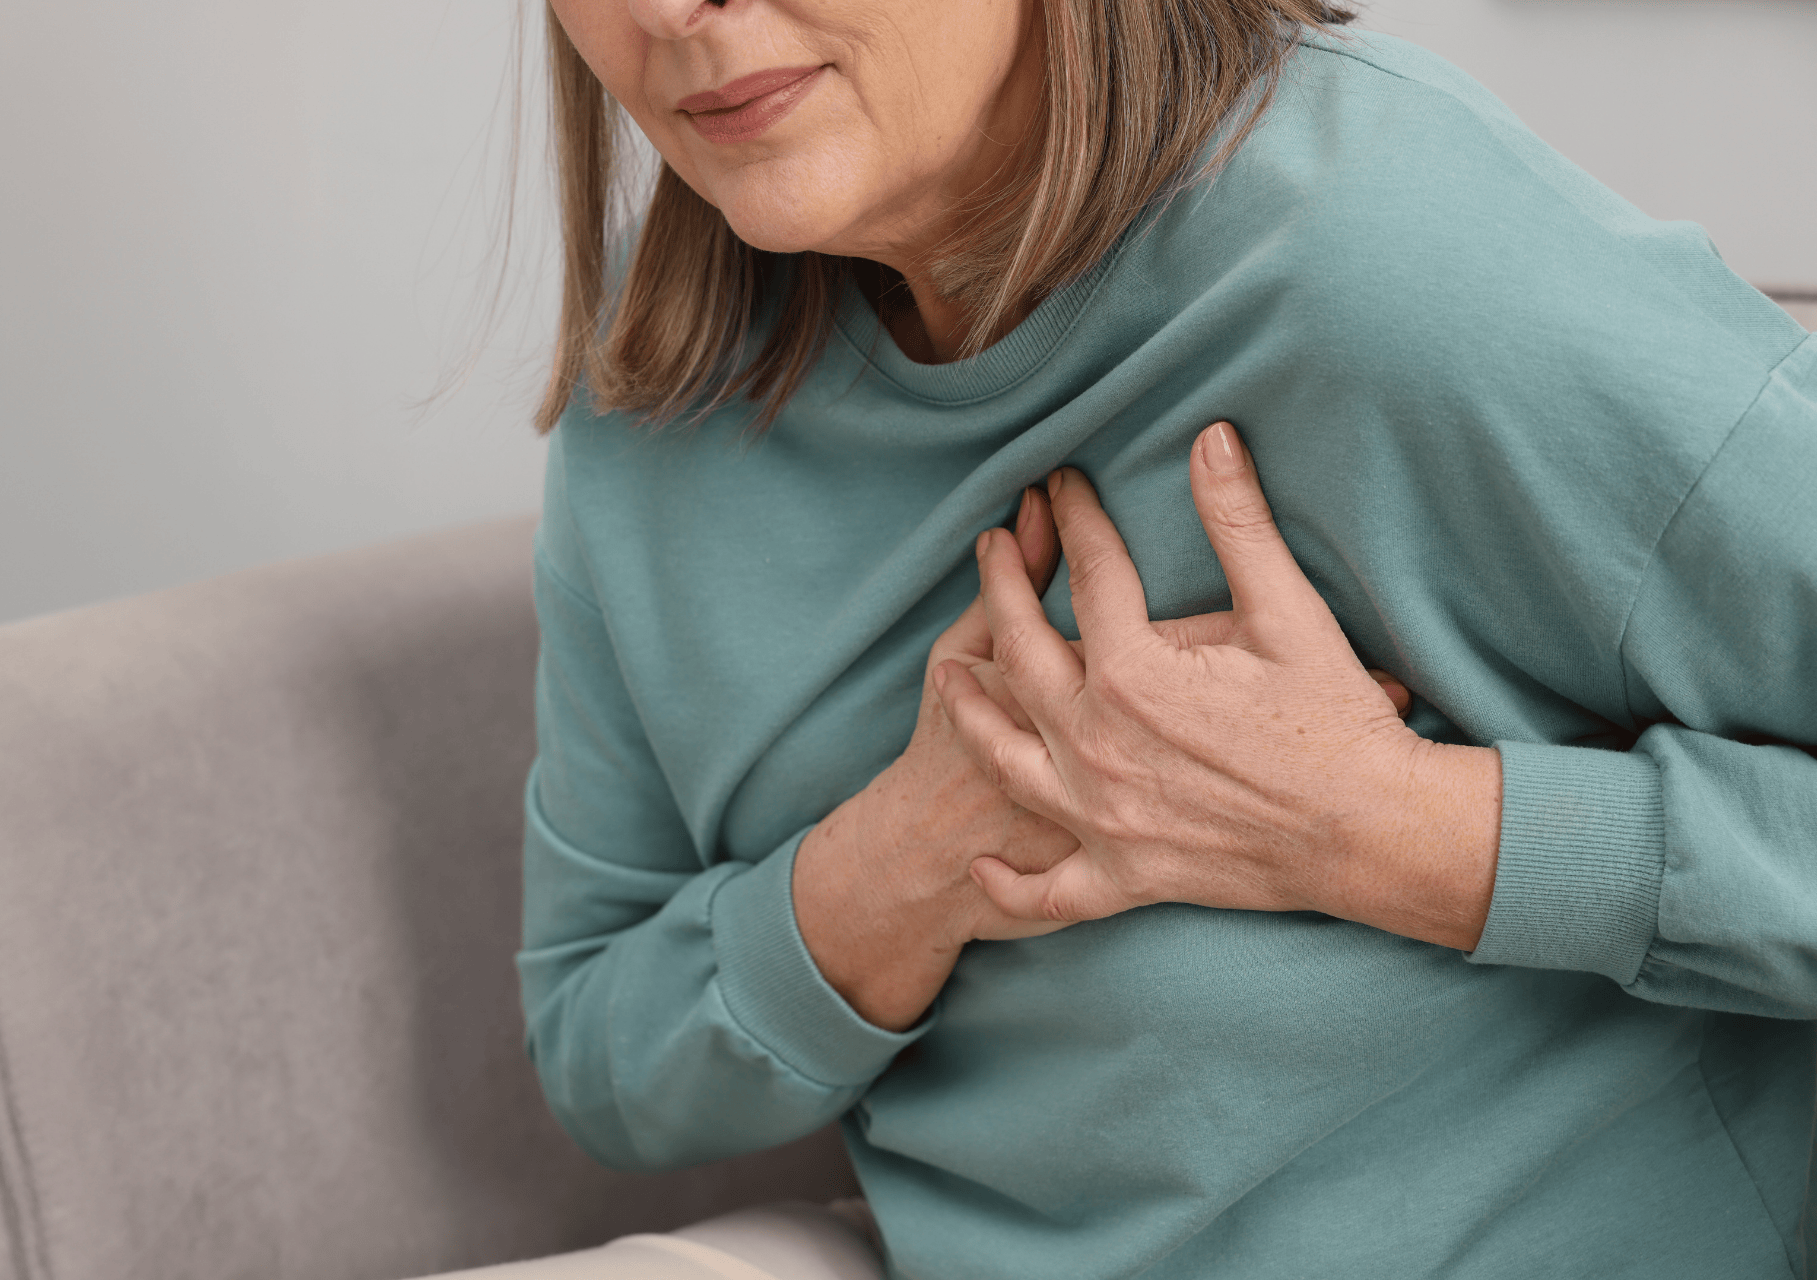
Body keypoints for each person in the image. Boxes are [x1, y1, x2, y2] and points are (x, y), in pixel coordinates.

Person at [512, 0, 1817, 1271]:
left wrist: (1393, 829)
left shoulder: (1412, 266)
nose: (670, 9)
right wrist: (911, 851)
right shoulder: (650, 385)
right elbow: (602, 1054)